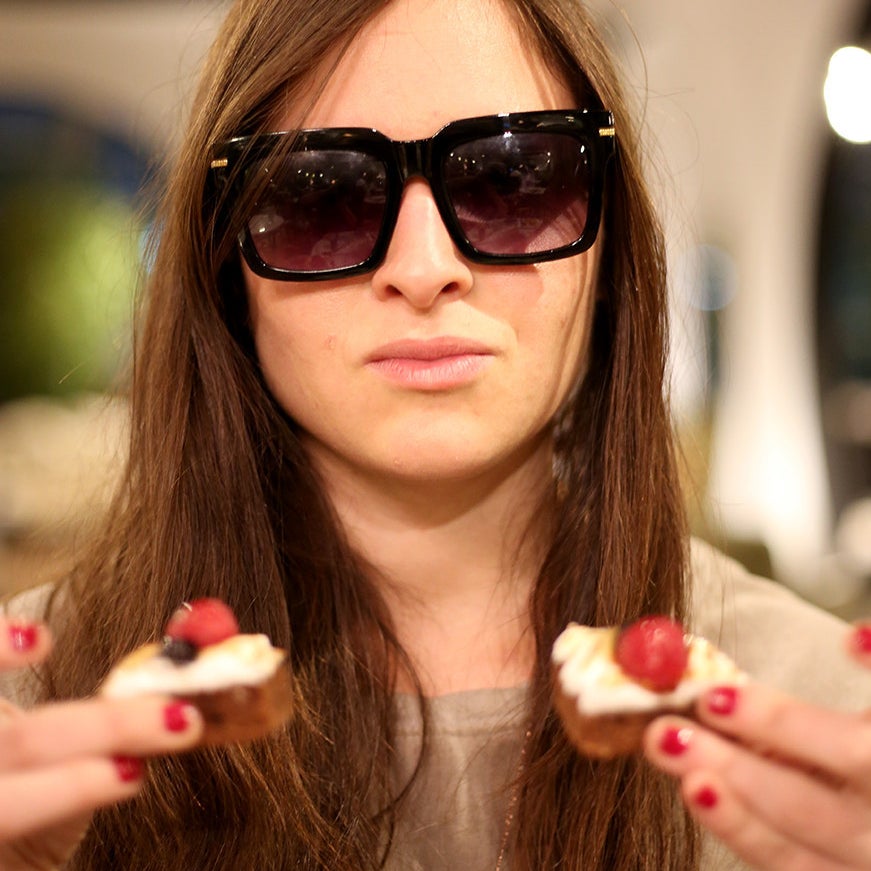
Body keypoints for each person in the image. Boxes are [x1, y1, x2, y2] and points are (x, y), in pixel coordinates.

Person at [2, 0, 871, 868]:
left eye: (512, 181)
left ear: (609, 256)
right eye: (321, 199)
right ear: (227, 270)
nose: (423, 271)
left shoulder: (819, 722)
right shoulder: (37, 725)